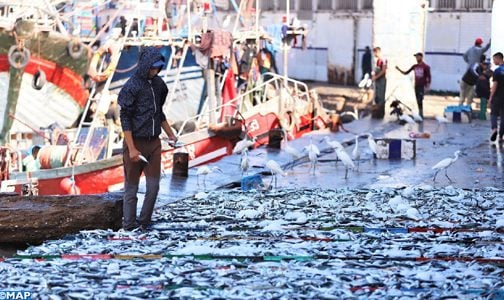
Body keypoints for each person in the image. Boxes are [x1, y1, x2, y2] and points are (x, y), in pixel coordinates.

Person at [118, 46, 178, 231]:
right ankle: (128, 225)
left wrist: (170, 134)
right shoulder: (131, 86)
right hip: (134, 142)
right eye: (152, 67)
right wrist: (132, 148)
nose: (155, 71)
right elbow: (125, 118)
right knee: (131, 189)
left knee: (153, 188)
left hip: (154, 143)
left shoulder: (160, 85)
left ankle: (144, 223)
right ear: (144, 66)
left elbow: (159, 113)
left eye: (158, 67)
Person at [395, 52, 431, 118]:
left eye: (418, 57)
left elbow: (429, 77)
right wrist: (398, 69)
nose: (417, 58)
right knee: (418, 99)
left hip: (422, 86)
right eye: (416, 57)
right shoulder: (415, 66)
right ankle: (420, 113)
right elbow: (406, 72)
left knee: (420, 99)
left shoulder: (426, 67)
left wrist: (427, 86)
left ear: (421, 57)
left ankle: (421, 114)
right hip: (416, 85)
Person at [489, 52, 504, 142]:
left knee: (493, 113)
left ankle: (494, 130)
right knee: (503, 117)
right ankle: (501, 136)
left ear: (499, 59)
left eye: (494, 59)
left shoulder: (497, 71)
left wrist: (490, 97)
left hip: (498, 96)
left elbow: (494, 85)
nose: (494, 61)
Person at [372, 47, 387, 118]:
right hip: (377, 81)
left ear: (378, 52)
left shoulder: (383, 60)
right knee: (377, 97)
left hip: (381, 81)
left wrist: (376, 77)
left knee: (381, 97)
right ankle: (377, 112)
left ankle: (381, 114)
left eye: (375, 53)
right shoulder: (378, 61)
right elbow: (377, 69)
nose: (374, 54)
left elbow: (383, 71)